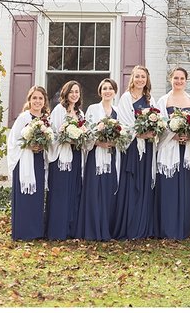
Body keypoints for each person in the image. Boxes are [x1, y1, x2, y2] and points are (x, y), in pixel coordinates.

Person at [154, 67, 190, 240]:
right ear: (170, 79)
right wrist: (173, 135)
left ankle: (184, 229)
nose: (179, 81)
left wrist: (189, 135)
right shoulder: (163, 101)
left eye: (182, 78)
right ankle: (167, 228)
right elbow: (158, 126)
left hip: (187, 151)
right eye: (176, 78)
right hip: (169, 151)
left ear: (186, 81)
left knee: (186, 190)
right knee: (169, 189)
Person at [113, 65, 156, 239]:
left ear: (147, 80)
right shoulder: (125, 98)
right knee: (130, 186)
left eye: (143, 77)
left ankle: (142, 227)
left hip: (147, 148)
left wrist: (153, 131)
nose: (140, 80)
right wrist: (140, 133)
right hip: (131, 148)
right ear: (132, 78)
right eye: (137, 76)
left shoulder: (150, 99)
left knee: (145, 185)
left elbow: (156, 120)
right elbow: (123, 124)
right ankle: (129, 227)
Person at [76, 78, 122, 241]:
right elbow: (86, 133)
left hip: (112, 156)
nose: (107, 91)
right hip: (95, 157)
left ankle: (107, 230)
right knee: (94, 192)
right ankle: (92, 230)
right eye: (104, 88)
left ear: (115, 92)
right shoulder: (93, 109)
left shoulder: (118, 111)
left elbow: (124, 134)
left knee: (109, 192)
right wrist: (98, 141)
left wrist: (115, 141)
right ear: (100, 92)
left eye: (110, 88)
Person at [7, 86, 51, 240]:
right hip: (24, 162)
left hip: (38, 160)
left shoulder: (46, 119)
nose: (37, 101)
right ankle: (23, 231)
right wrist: (28, 145)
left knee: (37, 196)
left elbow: (50, 141)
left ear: (44, 101)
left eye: (40, 98)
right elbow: (13, 140)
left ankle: (36, 231)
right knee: (25, 195)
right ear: (29, 100)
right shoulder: (24, 117)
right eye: (34, 98)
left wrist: (44, 145)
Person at [45, 80, 84, 240]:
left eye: (77, 92)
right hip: (61, 157)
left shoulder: (80, 113)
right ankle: (57, 230)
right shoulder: (59, 110)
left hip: (75, 156)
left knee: (73, 192)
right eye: (71, 92)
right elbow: (53, 134)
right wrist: (66, 138)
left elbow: (84, 134)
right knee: (60, 193)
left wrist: (80, 138)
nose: (74, 94)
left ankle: (70, 229)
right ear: (66, 93)